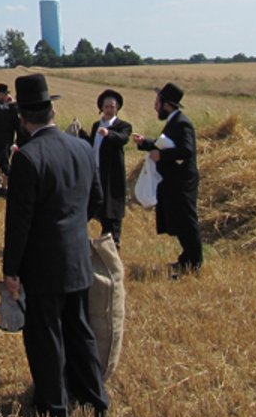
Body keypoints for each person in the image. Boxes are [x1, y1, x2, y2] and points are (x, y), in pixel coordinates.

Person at [3, 73, 109, 417]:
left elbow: (19, 223)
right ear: (51, 110)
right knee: (80, 331)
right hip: (78, 258)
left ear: (22, 118)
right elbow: (96, 201)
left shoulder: (27, 158)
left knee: (46, 337)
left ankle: (54, 409)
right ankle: (95, 400)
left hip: (43, 265)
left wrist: (11, 270)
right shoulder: (81, 147)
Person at [133, 82, 202, 276]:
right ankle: (186, 259)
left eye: (157, 102)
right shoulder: (174, 122)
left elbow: (186, 151)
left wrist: (161, 156)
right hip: (173, 181)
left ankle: (194, 264)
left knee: (187, 223)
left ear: (166, 105)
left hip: (182, 182)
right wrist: (145, 143)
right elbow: (165, 145)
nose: (155, 106)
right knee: (179, 222)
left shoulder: (182, 123)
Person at [78, 89, 132, 247]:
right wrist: (80, 133)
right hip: (95, 172)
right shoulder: (97, 125)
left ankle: (113, 242)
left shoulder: (123, 126)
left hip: (111, 175)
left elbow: (123, 138)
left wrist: (109, 134)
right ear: (101, 107)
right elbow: (91, 144)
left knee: (111, 209)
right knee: (96, 204)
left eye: (112, 107)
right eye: (106, 106)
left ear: (117, 109)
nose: (109, 109)